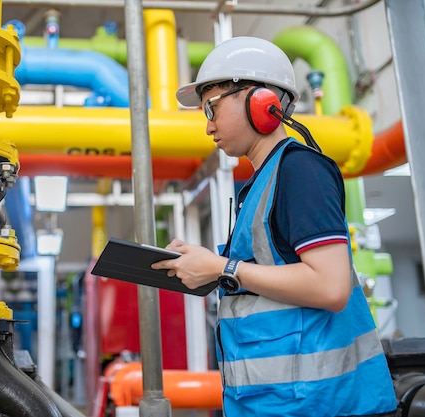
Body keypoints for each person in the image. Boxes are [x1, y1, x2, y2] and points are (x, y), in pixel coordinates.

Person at [151, 36, 397, 417]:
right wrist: (210, 269)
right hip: (278, 404)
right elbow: (271, 280)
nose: (208, 126)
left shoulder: (300, 170)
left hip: (323, 406)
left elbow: (330, 288)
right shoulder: (262, 183)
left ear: (260, 102)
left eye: (211, 109)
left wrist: (223, 268)